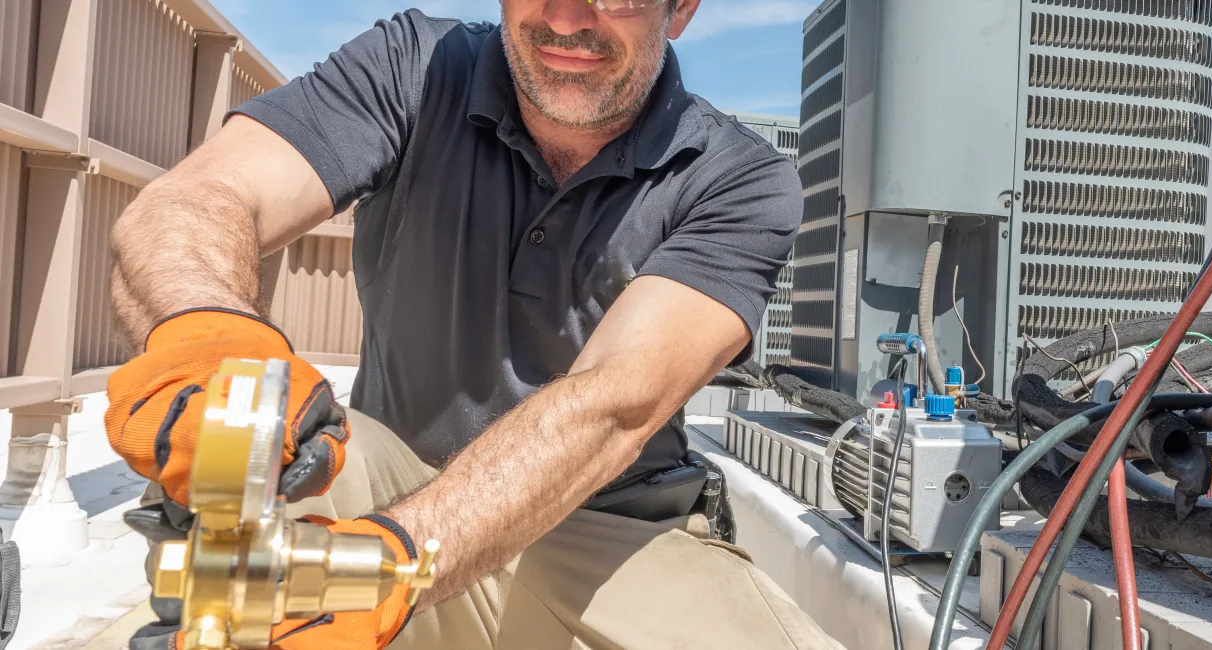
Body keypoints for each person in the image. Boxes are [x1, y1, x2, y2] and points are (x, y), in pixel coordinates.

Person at [103, 1, 841, 648]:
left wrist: (397, 560)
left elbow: (620, 398)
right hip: (394, 485)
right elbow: (200, 199)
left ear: (680, 10)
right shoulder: (414, 67)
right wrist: (207, 333)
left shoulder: (736, 177)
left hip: (610, 527)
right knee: (256, 457)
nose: (566, 18)